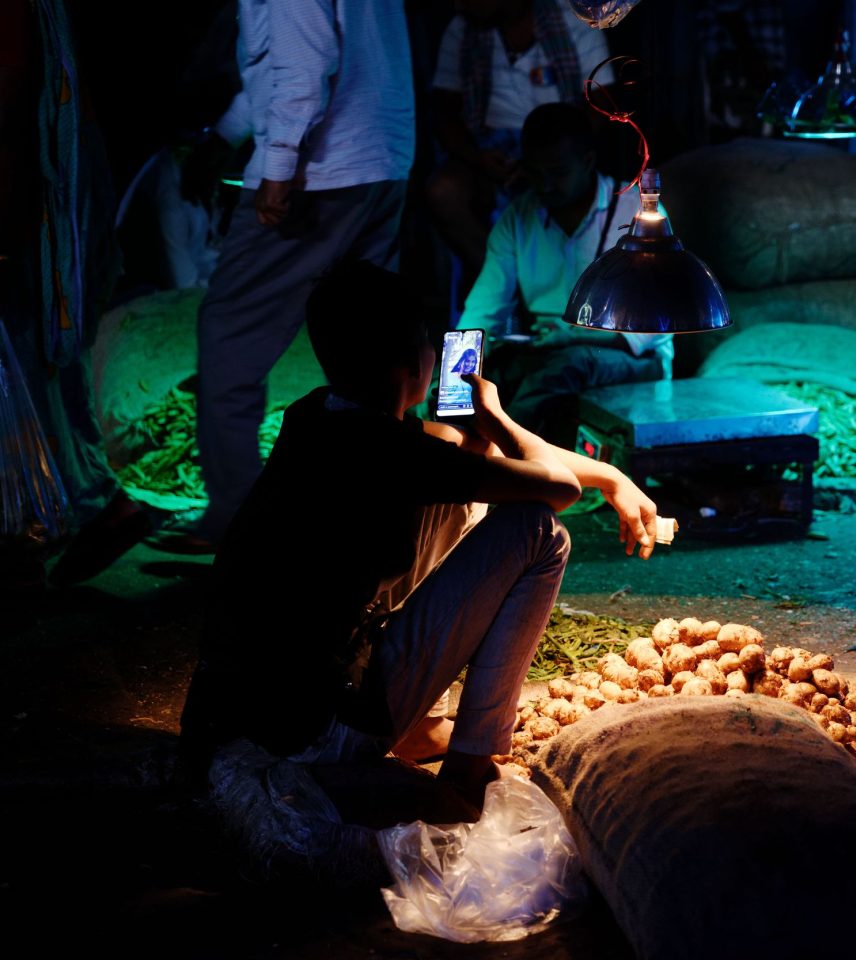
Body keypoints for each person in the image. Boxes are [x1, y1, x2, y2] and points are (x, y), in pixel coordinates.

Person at [180, 260, 661, 809]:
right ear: (417, 362)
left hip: (229, 721)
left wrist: (611, 476)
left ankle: (415, 728)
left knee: (468, 495)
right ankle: (468, 765)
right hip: (312, 736)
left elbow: (462, 453)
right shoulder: (395, 454)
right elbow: (555, 490)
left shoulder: (317, 416)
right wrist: (497, 416)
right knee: (539, 530)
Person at [170, 0, 416, 554]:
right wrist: (223, 138)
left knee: (230, 333)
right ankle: (376, 516)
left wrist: (277, 166)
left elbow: (302, 68)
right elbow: (294, 63)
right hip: (381, 162)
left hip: (319, 174)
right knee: (374, 354)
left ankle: (238, 521)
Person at [0, 0, 152, 590]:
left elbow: (11, 102)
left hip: (38, 185)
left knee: (35, 346)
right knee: (42, 349)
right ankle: (59, 509)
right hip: (45, 179)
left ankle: (41, 516)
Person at [457, 102, 672, 449]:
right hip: (546, 349)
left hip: (630, 357)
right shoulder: (518, 218)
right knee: (473, 373)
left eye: (556, 173)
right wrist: (458, 366)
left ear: (587, 162)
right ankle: (447, 449)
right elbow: (482, 311)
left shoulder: (639, 214)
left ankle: (498, 459)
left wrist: (570, 335)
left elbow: (650, 330)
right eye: (535, 173)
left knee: (570, 363)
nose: (544, 186)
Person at [428, 0, 612, 278]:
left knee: (563, 184)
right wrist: (478, 159)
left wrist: (545, 158)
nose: (460, 4)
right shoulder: (463, 29)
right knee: (444, 192)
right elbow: (444, 113)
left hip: (557, 147)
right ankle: (503, 279)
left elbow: (602, 105)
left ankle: (561, 282)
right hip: (489, 154)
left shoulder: (574, 20)